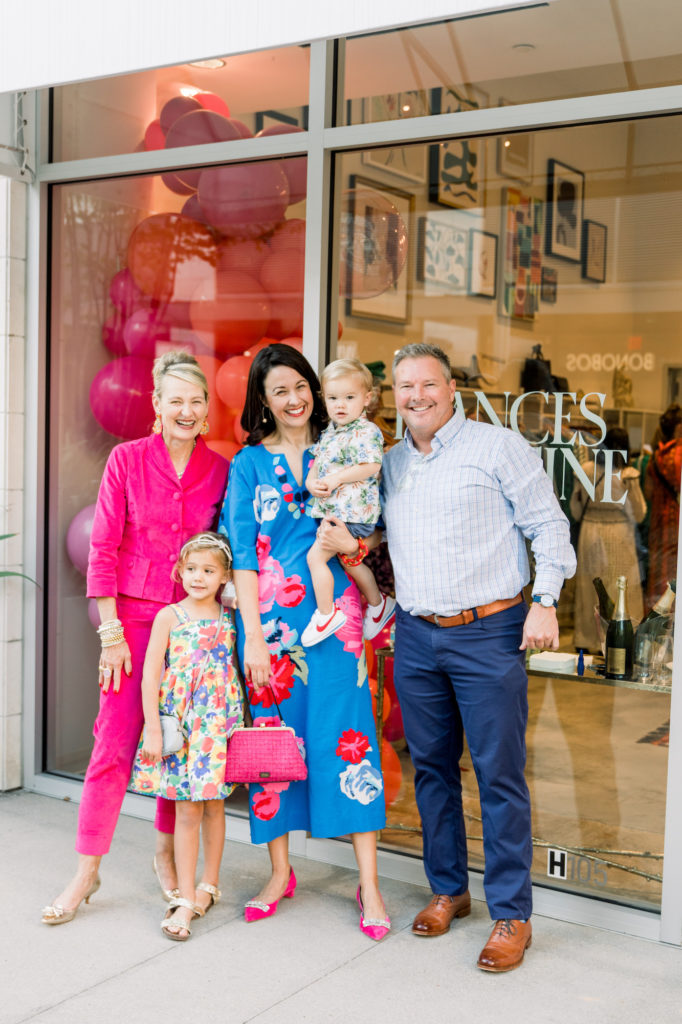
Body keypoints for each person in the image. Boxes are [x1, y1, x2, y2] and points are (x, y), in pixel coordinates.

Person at [333, 342, 576, 971]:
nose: (417, 396)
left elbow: (548, 525)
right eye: (406, 387)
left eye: (428, 384)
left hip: (489, 632)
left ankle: (511, 914)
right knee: (432, 770)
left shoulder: (496, 448)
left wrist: (545, 600)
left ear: (452, 388)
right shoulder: (387, 465)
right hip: (416, 635)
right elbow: (369, 533)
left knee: (499, 774)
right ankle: (449, 889)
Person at [41, 352, 229, 926]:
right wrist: (111, 634)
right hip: (131, 623)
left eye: (197, 400)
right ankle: (86, 870)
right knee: (114, 744)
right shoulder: (125, 461)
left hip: (192, 627)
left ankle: (167, 853)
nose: (187, 410)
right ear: (156, 405)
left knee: (180, 743)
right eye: (176, 399)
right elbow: (102, 549)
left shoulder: (219, 469)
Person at [220, 343, 390, 941]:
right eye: (279, 392)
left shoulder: (343, 443)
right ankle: (279, 872)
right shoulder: (248, 465)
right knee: (275, 748)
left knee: (350, 741)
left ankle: (368, 883)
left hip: (335, 618)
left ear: (316, 389)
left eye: (300, 386)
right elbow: (242, 554)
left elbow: (371, 526)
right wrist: (253, 641)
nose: (294, 400)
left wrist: (357, 551)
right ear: (263, 403)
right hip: (268, 624)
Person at [134, 532, 243, 941]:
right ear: (180, 571)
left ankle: (208, 886)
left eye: (209, 570)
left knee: (215, 806)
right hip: (183, 725)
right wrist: (151, 727)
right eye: (192, 569)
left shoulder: (229, 616)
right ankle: (182, 895)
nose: (199, 577)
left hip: (218, 724)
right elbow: (151, 675)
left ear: (223, 576)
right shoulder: (170, 617)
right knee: (187, 809)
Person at [302, 357, 395, 646]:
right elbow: (317, 462)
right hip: (337, 510)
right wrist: (312, 481)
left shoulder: (366, 431)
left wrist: (336, 479)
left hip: (354, 513)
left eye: (349, 397)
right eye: (333, 398)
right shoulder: (331, 431)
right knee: (349, 561)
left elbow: (370, 466)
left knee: (315, 557)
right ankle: (379, 604)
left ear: (367, 399)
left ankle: (327, 614)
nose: (340, 405)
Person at [570, 426, 647, 651]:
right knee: (622, 588)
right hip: (619, 533)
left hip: (590, 532)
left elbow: (575, 510)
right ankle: (621, 640)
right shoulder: (627, 475)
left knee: (590, 588)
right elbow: (640, 513)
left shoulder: (585, 470)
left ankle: (587, 639)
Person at [645, 404, 682, 608]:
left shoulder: (656, 456)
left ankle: (657, 623)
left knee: (659, 578)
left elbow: (648, 493)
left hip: (658, 524)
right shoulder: (679, 454)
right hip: (676, 523)